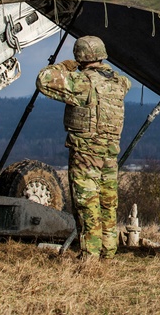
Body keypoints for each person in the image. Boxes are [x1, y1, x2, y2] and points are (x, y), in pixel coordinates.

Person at [36, 36, 130, 259]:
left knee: (86, 202)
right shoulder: (118, 82)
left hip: (86, 153)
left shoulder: (83, 83)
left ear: (80, 57)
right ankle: (108, 250)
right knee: (107, 201)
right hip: (110, 152)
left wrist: (65, 66)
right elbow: (127, 83)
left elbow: (44, 80)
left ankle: (90, 254)